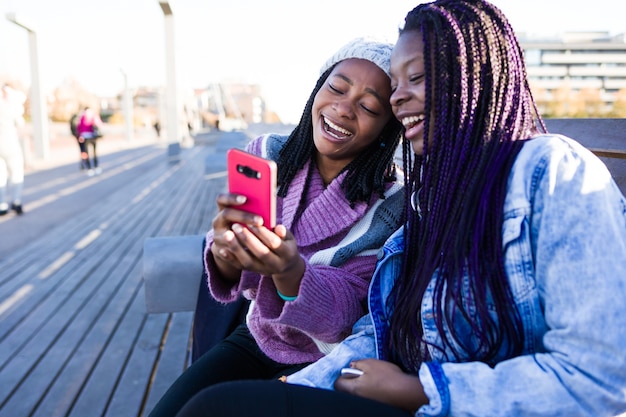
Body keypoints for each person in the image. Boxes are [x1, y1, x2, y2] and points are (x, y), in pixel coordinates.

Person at [173, 1, 626, 416]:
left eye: (417, 78)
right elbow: (379, 328)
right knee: (203, 405)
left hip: (410, 387)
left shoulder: (550, 170)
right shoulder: (432, 199)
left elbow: (601, 377)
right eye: (398, 82)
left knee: (215, 408)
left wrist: (423, 391)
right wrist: (228, 259)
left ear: (476, 79)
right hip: (290, 345)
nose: (397, 96)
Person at [147, 37, 405, 417]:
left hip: (325, 360)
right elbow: (231, 266)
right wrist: (224, 253)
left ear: (387, 128)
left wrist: (291, 273)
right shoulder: (267, 154)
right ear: (318, 88)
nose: (343, 108)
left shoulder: (393, 203)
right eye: (336, 87)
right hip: (257, 333)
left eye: (368, 106)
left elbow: (349, 311)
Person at [0, 83, 26, 216]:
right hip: (10, 144)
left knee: (1, 176)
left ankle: (2, 204)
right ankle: (16, 202)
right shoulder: (12, 106)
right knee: (16, 174)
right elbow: (21, 123)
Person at [77, 106, 103, 176]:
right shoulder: (93, 115)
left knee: (86, 153)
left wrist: (80, 136)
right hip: (93, 136)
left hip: (85, 136)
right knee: (94, 152)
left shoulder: (82, 116)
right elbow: (99, 124)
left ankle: (89, 168)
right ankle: (96, 166)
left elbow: (79, 127)